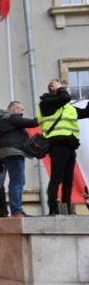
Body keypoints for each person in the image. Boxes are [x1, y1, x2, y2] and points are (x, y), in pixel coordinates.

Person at [38, 79, 89, 215]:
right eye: (62, 87)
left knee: (68, 179)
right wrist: (60, 89)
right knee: (57, 177)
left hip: (70, 144)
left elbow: (86, 112)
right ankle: (53, 209)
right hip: (57, 143)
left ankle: (67, 208)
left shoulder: (68, 107)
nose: (65, 89)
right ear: (53, 88)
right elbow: (65, 97)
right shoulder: (46, 103)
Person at [0, 101, 40, 217]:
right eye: (21, 110)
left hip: (6, 153)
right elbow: (33, 123)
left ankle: (17, 209)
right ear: (15, 109)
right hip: (13, 152)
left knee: (17, 181)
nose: (22, 113)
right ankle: (17, 210)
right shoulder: (11, 118)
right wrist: (47, 114)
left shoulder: (2, 120)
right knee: (17, 182)